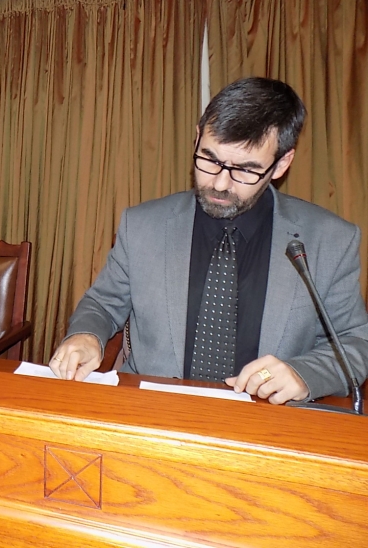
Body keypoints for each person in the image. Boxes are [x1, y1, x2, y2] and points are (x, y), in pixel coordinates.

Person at [49, 77, 368, 404]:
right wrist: (86, 336)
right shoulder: (143, 225)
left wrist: (304, 374)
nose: (220, 183)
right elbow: (103, 303)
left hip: (267, 421)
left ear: (281, 163)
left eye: (246, 170)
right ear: (197, 136)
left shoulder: (330, 240)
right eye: (210, 159)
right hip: (151, 413)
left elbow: (356, 343)